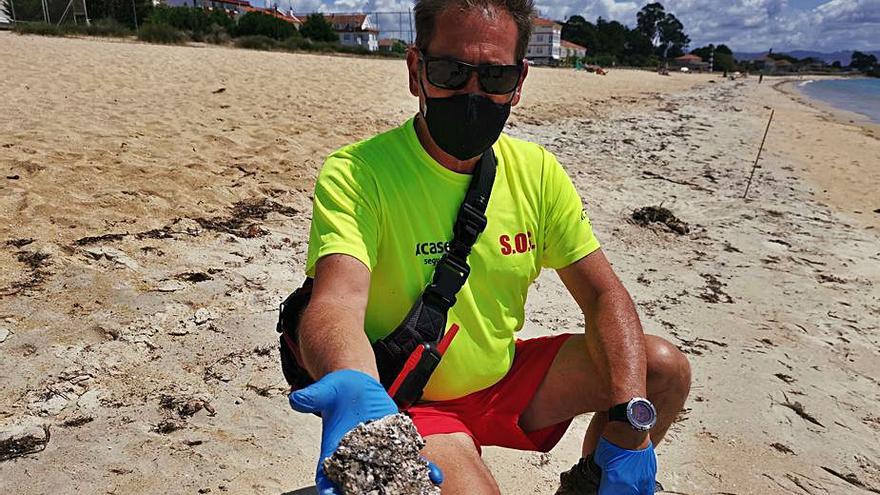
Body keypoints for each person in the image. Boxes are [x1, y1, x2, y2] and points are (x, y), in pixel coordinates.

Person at [287, 0, 692, 493]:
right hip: (410, 396)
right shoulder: (358, 174)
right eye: (451, 71)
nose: (472, 93)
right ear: (416, 71)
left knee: (661, 370)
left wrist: (631, 425)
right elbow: (336, 302)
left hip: (504, 380)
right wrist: (356, 390)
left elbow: (604, 295)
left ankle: (597, 481)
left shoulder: (537, 173)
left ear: (519, 82)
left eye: (494, 78)